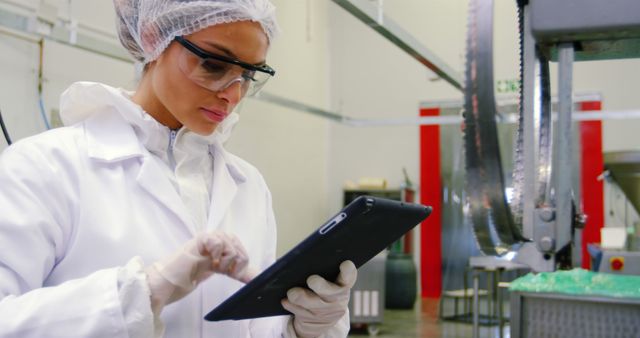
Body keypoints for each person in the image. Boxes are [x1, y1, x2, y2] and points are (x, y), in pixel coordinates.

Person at [0, 0, 357, 337]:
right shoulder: (43, 169)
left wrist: (304, 325)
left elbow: (251, 329)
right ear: (154, 37)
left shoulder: (248, 186)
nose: (232, 95)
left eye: (249, 74)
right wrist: (146, 292)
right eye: (214, 65)